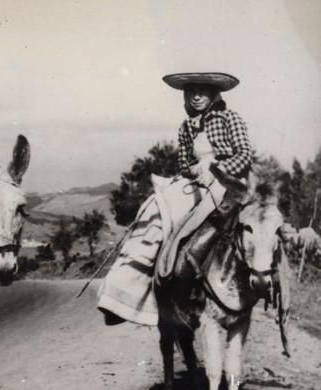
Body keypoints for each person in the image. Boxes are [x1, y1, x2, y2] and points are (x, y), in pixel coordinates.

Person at [97, 72, 254, 325]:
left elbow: (245, 155)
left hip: (229, 183)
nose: (196, 96)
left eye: (203, 91)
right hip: (198, 183)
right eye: (191, 91)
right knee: (154, 207)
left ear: (214, 93)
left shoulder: (229, 118)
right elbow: (183, 164)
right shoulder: (186, 126)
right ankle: (126, 288)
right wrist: (194, 170)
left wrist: (217, 168)